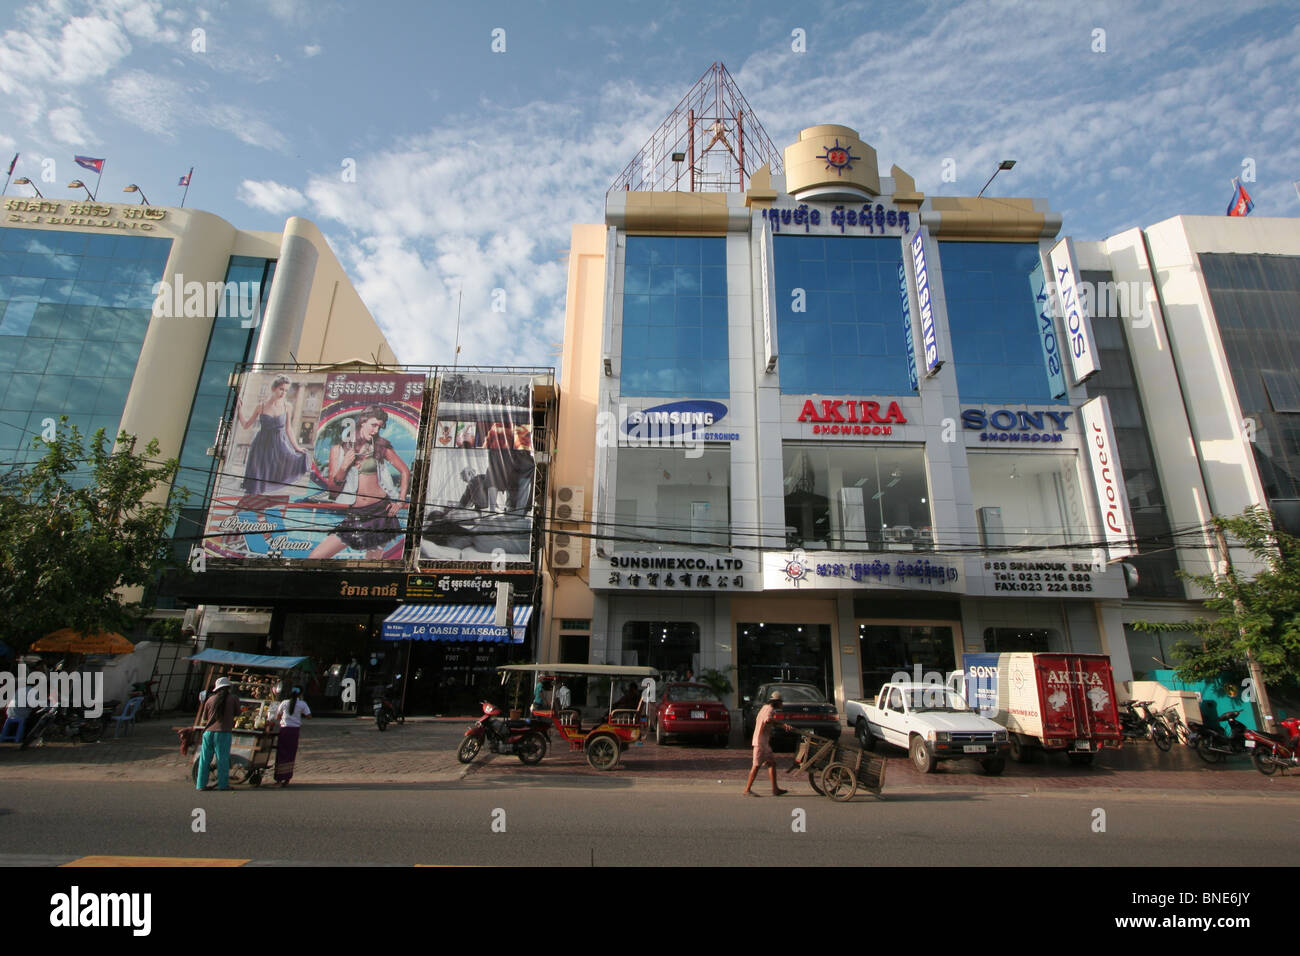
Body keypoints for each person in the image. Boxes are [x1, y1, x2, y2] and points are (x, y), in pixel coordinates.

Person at [308, 405, 411, 559]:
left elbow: (404, 471)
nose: (376, 430)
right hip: (355, 515)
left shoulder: (380, 446)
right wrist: (343, 467)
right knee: (315, 558)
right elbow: (333, 491)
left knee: (371, 564)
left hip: (381, 512)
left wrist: (401, 500)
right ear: (362, 422)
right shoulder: (338, 449)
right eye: (373, 425)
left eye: (379, 427)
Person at [235, 375, 310, 513]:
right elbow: (246, 425)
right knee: (257, 480)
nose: (283, 393)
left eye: (286, 390)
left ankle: (258, 511)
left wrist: (297, 447)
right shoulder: (261, 406)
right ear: (274, 388)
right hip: (260, 446)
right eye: (281, 389)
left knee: (285, 466)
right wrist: (239, 409)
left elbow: (289, 429)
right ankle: (247, 511)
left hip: (279, 445)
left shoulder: (288, 406)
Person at [744, 691, 791, 797]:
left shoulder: (765, 708)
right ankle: (747, 789)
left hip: (763, 742)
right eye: (781, 702)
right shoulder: (769, 710)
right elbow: (768, 720)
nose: (782, 704)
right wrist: (782, 724)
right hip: (760, 743)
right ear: (777, 702)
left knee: (772, 763)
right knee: (756, 766)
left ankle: (775, 789)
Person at [196, 677, 240, 791]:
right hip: (223, 733)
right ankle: (223, 784)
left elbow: (205, 717)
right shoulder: (233, 699)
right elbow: (237, 713)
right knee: (222, 759)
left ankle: (201, 784)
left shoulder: (210, 700)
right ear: (228, 688)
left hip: (208, 732)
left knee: (205, 759)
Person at [272, 686, 312, 786]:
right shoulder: (302, 704)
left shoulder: (284, 703)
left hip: (284, 730)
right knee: (290, 754)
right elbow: (309, 716)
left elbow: (277, 716)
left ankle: (279, 777)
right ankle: (287, 777)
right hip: (294, 731)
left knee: (281, 753)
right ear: (300, 694)